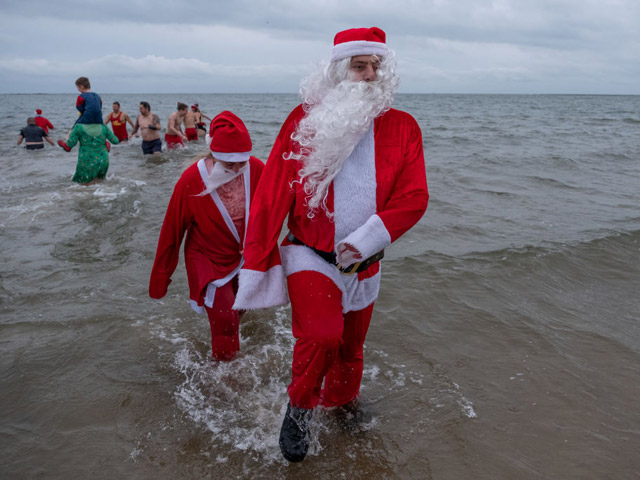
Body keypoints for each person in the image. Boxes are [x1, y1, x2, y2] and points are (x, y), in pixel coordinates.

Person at [232, 27, 429, 462]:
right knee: (322, 336)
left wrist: (368, 240)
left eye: (377, 66)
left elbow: (414, 196)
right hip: (308, 252)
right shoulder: (303, 120)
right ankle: (299, 409)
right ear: (340, 71)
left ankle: (340, 406)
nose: (370, 75)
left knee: (350, 349)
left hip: (367, 261)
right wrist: (256, 263)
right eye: (360, 66)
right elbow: (271, 197)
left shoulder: (403, 127)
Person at [149, 111, 264, 361]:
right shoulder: (191, 180)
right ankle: (225, 382)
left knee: (239, 309)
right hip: (207, 257)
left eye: (240, 162)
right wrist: (161, 276)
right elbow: (172, 229)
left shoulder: (255, 168)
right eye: (228, 164)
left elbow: (273, 207)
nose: (235, 169)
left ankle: (231, 335)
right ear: (214, 154)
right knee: (225, 323)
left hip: (243, 255)